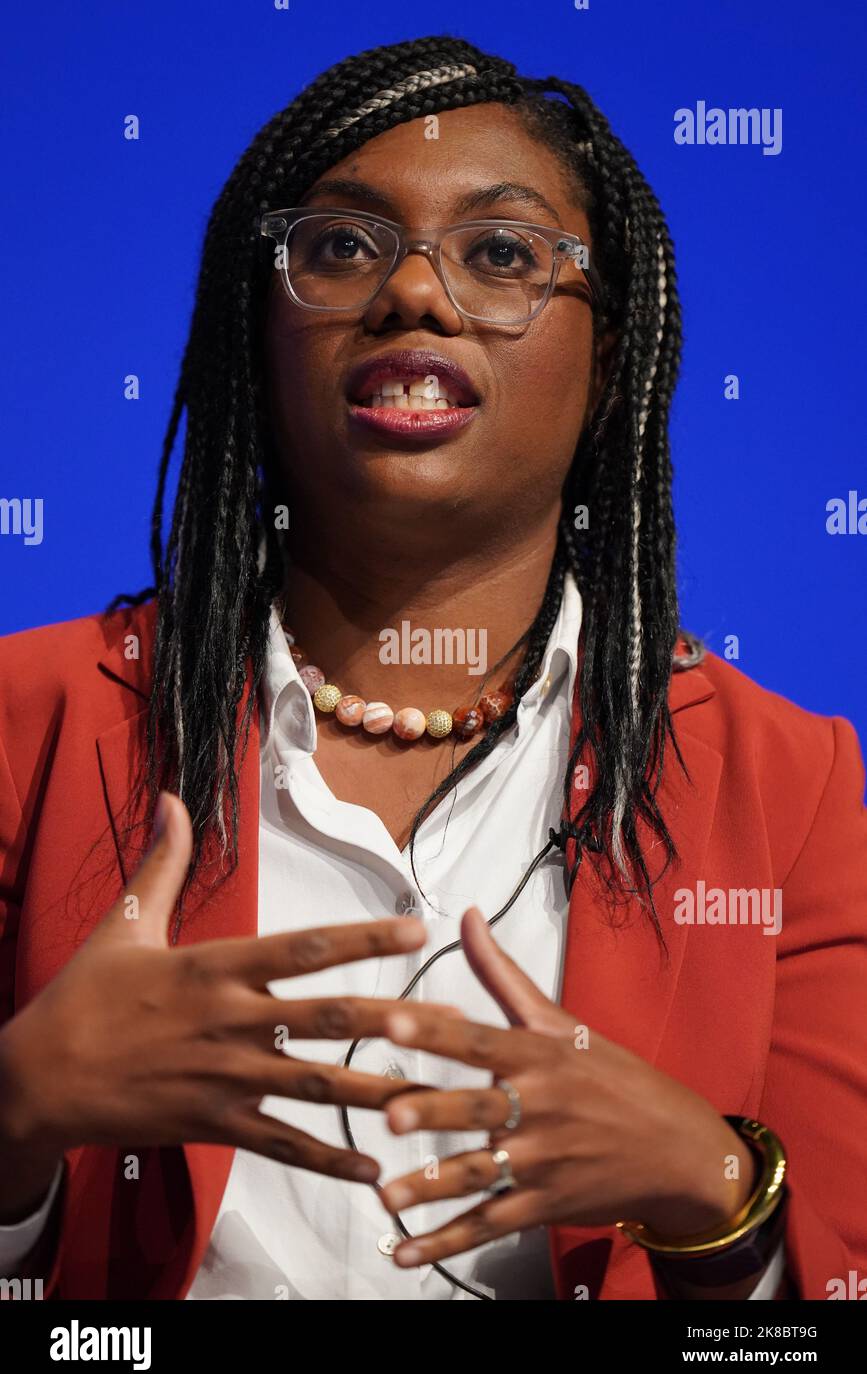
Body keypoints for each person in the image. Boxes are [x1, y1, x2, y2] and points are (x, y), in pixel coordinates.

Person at [1, 34, 865, 1302]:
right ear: (259, 333)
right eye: (341, 246)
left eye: (503, 253)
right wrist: (15, 1119)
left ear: (609, 361)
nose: (414, 294)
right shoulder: (28, 721)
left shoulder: (786, 784)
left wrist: (721, 1199)